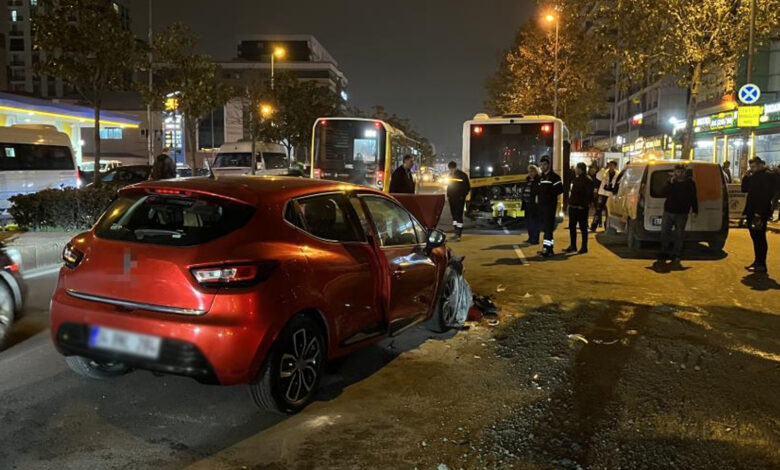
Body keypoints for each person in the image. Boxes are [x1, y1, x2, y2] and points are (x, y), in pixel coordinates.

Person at [742, 157, 778, 273]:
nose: (752, 169)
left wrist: (759, 213)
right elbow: (745, 190)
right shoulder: (754, 176)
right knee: (755, 237)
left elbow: (765, 196)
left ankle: (761, 263)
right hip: (751, 211)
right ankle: (757, 261)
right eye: (751, 167)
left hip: (759, 212)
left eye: (753, 167)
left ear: (760, 165)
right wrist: (746, 177)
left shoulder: (767, 176)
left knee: (759, 238)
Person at [659, 164, 698, 263]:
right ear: (675, 172)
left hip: (682, 212)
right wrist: (670, 183)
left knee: (679, 234)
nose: (679, 174)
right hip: (668, 211)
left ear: (685, 172)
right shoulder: (671, 182)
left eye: (681, 171)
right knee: (665, 232)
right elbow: (663, 193)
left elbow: (693, 197)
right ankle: (664, 252)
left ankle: (677, 254)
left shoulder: (690, 183)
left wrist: (695, 210)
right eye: (677, 171)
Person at [537, 155, 563, 257]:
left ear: (548, 165)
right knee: (546, 228)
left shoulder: (554, 177)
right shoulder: (541, 177)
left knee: (548, 228)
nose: (542, 166)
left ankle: (547, 249)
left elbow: (560, 190)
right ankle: (549, 248)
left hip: (550, 206)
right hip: (542, 206)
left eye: (544, 164)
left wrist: (549, 194)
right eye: (541, 164)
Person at [566, 162, 594, 254]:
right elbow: (572, 193)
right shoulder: (576, 179)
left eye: (577, 168)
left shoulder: (587, 180)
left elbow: (589, 195)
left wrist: (583, 205)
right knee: (572, 227)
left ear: (580, 169)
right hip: (573, 207)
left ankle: (584, 247)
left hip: (581, 208)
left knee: (583, 228)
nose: (575, 170)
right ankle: (573, 245)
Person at [591, 160, 618, 231]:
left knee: (608, 212)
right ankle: (594, 226)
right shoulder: (604, 172)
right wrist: (604, 168)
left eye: (612, 165)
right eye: (610, 165)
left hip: (610, 195)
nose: (610, 167)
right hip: (602, 193)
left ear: (615, 166)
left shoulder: (617, 174)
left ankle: (607, 227)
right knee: (598, 210)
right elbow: (598, 176)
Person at [446, 161, 471, 241]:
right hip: (452, 199)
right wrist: (448, 196)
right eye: (450, 169)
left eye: (452, 169)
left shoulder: (462, 175)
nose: (451, 171)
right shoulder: (450, 175)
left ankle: (459, 234)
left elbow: (467, 187)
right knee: (454, 216)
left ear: (455, 167)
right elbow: (449, 187)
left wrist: (462, 196)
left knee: (458, 216)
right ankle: (455, 232)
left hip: (459, 199)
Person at [521, 165, 541, 244]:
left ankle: (535, 239)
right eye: (529, 172)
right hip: (527, 204)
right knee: (528, 222)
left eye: (532, 171)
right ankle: (530, 237)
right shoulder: (528, 180)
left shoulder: (538, 180)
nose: (530, 173)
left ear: (536, 172)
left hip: (534, 205)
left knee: (534, 223)